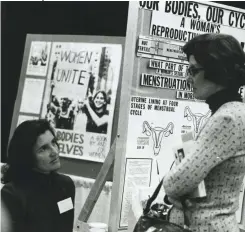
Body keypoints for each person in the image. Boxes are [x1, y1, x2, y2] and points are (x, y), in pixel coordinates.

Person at [163, 34, 245, 232]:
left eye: (193, 70)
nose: (187, 76)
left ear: (216, 71)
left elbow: (175, 183)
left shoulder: (227, 118)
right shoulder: (233, 111)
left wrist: (172, 186)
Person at [1, 119, 75, 232]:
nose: (54, 152)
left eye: (54, 142)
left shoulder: (65, 185)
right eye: (43, 149)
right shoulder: (12, 193)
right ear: (27, 156)